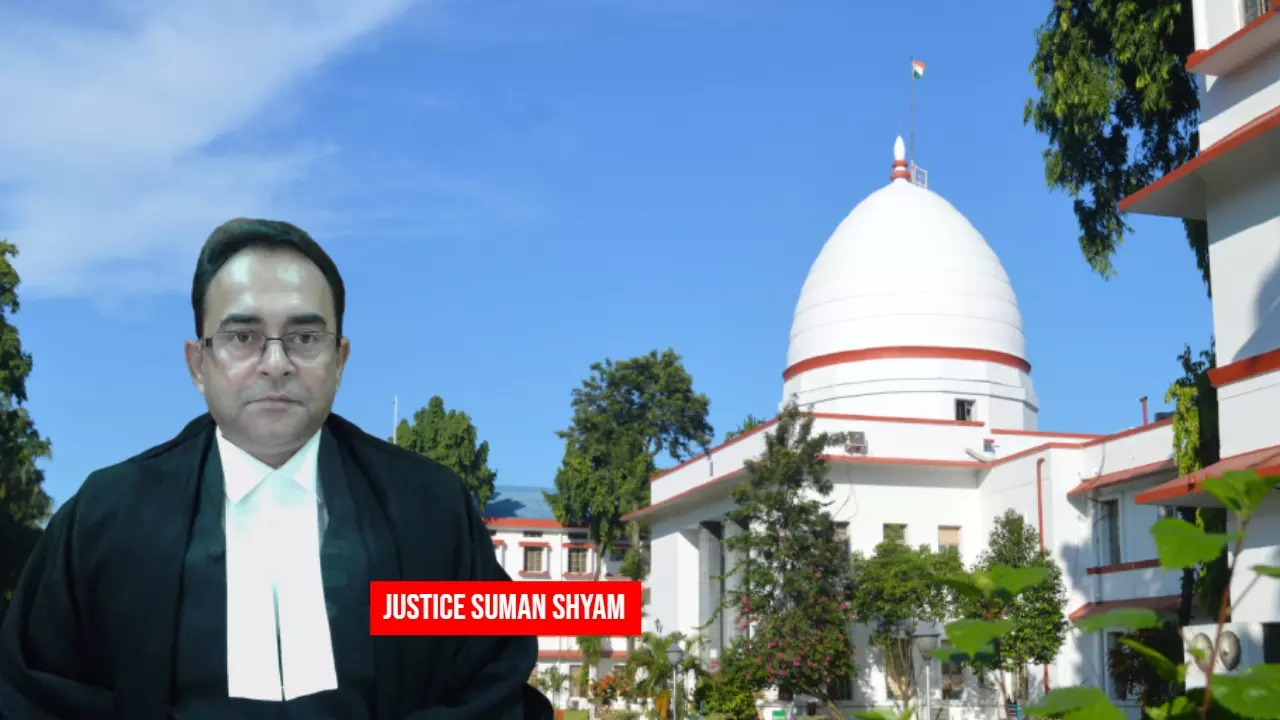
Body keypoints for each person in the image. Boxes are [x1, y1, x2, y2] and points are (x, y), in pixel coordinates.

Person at [0, 219, 554, 720]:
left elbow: (490, 684)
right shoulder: (107, 518)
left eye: (304, 338)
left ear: (340, 360)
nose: (275, 363)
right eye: (242, 337)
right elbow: (34, 692)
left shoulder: (427, 510)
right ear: (198, 364)